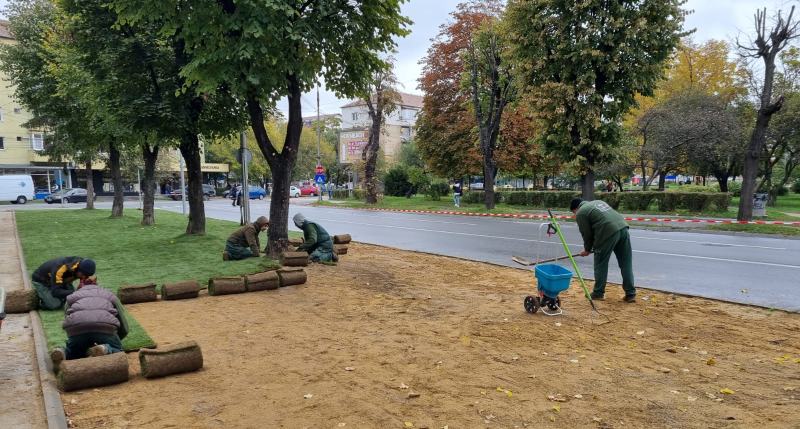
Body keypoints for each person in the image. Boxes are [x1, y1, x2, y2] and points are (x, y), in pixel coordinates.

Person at [49, 277, 128, 370]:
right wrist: (118, 337)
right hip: (104, 326)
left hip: (77, 328)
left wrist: (75, 336)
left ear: (80, 287)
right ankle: (105, 349)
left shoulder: (72, 296)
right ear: (97, 285)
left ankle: (62, 352)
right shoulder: (109, 294)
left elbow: (68, 317)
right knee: (117, 350)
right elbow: (122, 320)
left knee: (74, 353)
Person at [570, 198, 636, 303]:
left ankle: (598, 293)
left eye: (573, 212)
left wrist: (587, 249)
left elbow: (586, 234)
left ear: (575, 209)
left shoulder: (581, 212)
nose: (575, 215)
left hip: (607, 233)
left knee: (601, 264)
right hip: (623, 228)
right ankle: (630, 294)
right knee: (626, 263)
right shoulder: (598, 202)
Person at [31, 257, 96, 310]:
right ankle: (40, 298)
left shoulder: (82, 265)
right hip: (42, 281)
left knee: (73, 300)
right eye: (83, 275)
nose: (84, 277)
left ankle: (55, 296)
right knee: (55, 305)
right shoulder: (60, 269)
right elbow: (56, 292)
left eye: (87, 276)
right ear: (78, 269)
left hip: (61, 280)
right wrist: (76, 292)